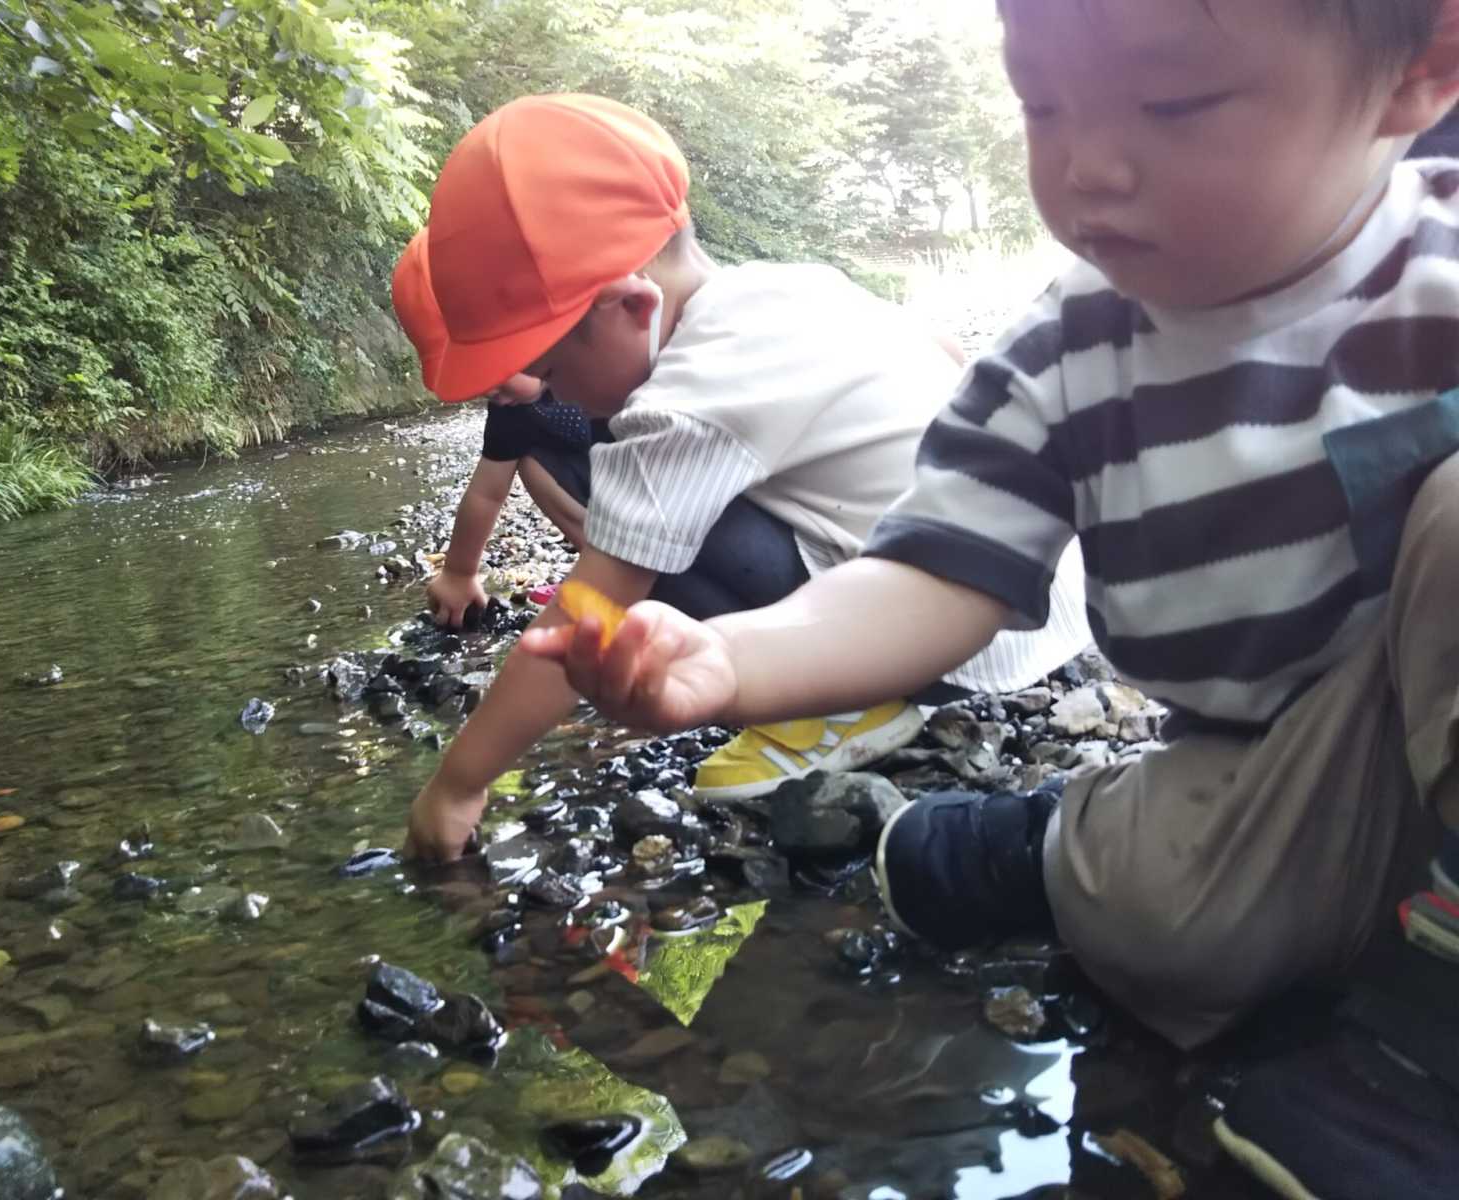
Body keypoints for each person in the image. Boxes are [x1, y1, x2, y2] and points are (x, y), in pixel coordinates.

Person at [528, 0, 1459, 1057]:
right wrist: (733, 655)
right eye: (1042, 105)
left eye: (1174, 102)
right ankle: (1050, 844)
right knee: (1168, 934)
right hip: (1278, 769)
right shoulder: (1064, 353)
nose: (1088, 166)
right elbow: (930, 574)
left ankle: (1427, 1036)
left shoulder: (1439, 268)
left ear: (1418, 73)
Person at [399, 93, 1092, 854]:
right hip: (1043, 594)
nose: (553, 398)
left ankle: (846, 707)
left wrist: (458, 783)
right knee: (645, 503)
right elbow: (944, 354)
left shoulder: (687, 400)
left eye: (552, 371)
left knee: (631, 524)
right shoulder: (788, 286)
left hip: (952, 644)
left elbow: (586, 609)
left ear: (631, 306)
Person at [392, 228, 601, 626]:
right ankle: (605, 562)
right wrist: (458, 571)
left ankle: (626, 571)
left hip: (676, 503)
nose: (489, 388)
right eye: (472, 377)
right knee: (526, 460)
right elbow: (487, 493)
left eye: (493, 366)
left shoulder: (610, 360)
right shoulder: (514, 407)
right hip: (604, 510)